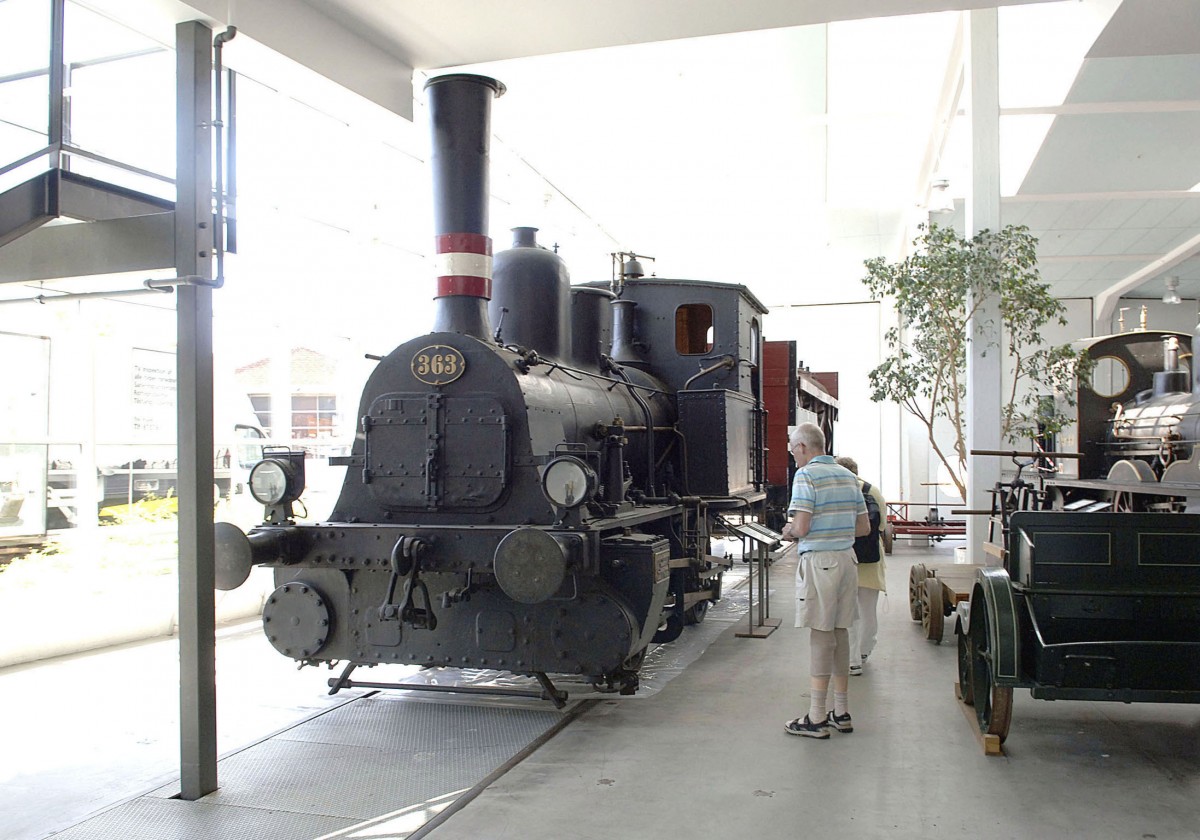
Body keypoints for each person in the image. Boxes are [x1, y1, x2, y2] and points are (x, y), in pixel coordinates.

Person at [781, 423, 870, 739]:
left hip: (820, 563)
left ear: (803, 446)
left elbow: (801, 526)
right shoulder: (848, 476)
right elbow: (863, 528)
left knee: (820, 635)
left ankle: (816, 716)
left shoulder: (806, 476)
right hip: (847, 560)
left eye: (793, 449)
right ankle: (841, 711)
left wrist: (788, 531)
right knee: (840, 633)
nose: (793, 456)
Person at [835, 456, 887, 676]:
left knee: (848, 612)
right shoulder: (872, 491)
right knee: (868, 611)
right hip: (871, 559)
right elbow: (882, 525)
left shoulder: (835, 490)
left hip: (844, 556)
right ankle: (865, 651)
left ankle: (852, 660)